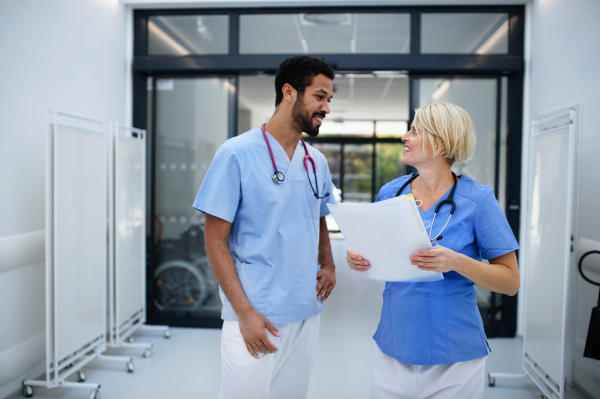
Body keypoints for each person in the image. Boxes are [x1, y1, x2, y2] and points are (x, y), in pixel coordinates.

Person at [346, 103, 520, 399]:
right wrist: (359, 259)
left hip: (455, 354)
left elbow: (510, 282)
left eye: (414, 131)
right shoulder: (391, 193)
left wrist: (456, 262)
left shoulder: (478, 200)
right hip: (393, 345)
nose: (405, 136)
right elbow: (375, 252)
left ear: (439, 144)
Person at [193, 55, 337, 399]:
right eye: (320, 96)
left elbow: (318, 217)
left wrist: (329, 263)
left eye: (329, 99)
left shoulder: (315, 162)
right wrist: (245, 313)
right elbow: (215, 241)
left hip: (304, 309)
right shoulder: (236, 154)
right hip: (255, 311)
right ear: (289, 92)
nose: (326, 108)